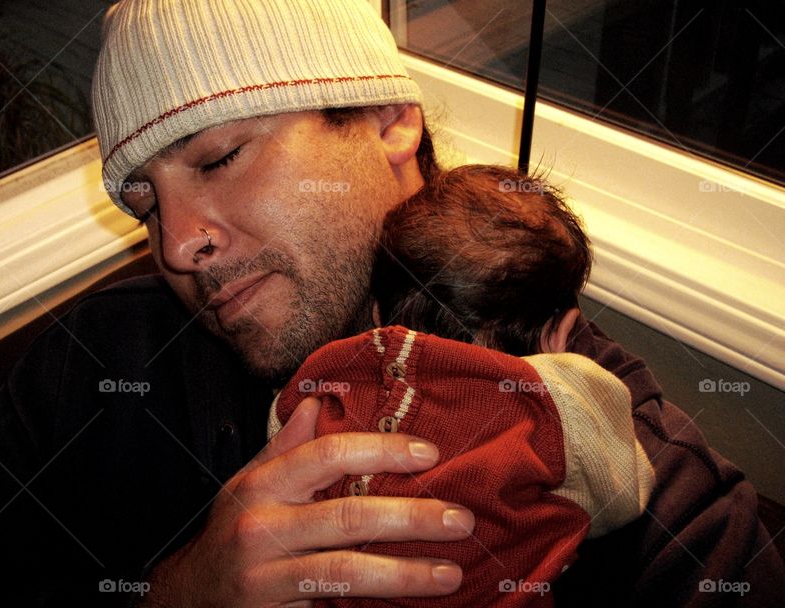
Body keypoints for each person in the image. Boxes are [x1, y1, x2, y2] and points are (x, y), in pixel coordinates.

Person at [0, 0, 785, 606]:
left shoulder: (577, 415)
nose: (179, 243)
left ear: (385, 120)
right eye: (146, 203)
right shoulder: (91, 365)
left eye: (220, 157)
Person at [268, 164, 656, 606]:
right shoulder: (559, 393)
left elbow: (282, 434)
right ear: (562, 333)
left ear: (376, 314)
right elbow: (625, 494)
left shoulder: (337, 370)